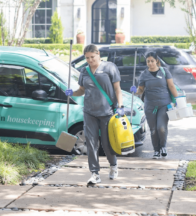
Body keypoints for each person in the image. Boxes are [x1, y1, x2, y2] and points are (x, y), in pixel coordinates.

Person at [65, 44, 124, 184]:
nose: (90, 60)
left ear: (98, 54)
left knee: (107, 143)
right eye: (87, 58)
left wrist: (120, 106)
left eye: (92, 57)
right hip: (89, 112)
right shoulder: (84, 71)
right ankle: (94, 173)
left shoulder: (110, 67)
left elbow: (118, 89)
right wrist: (72, 93)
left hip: (107, 112)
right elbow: (81, 90)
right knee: (91, 143)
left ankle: (113, 165)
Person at [130, 51, 178, 159]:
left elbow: (171, 86)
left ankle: (163, 147)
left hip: (164, 105)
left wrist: (178, 100)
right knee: (153, 129)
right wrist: (135, 91)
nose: (150, 63)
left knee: (161, 127)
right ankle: (156, 150)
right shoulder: (144, 74)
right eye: (148, 61)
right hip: (150, 106)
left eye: (152, 61)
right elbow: (140, 90)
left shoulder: (164, 71)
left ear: (156, 60)